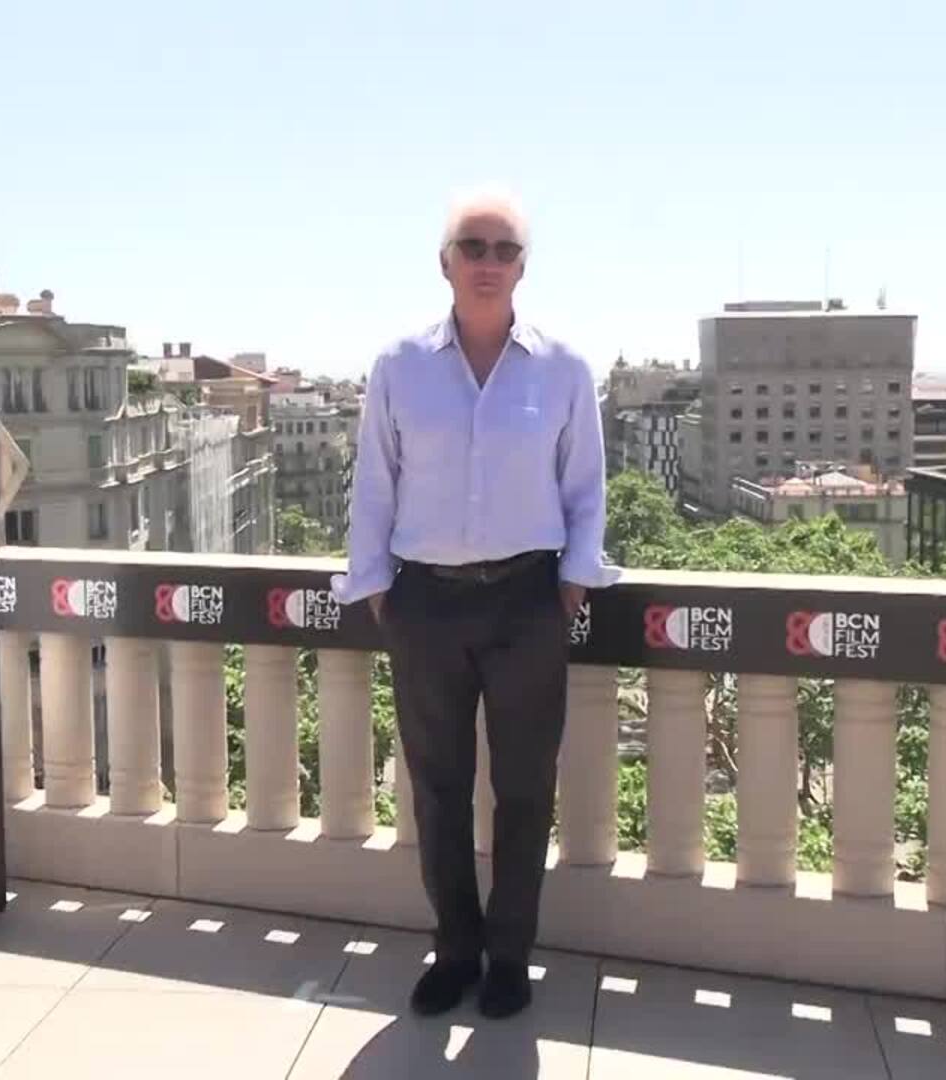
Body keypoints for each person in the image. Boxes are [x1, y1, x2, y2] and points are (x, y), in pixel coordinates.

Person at [332, 188, 617, 1019]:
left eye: (505, 250)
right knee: (438, 788)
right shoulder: (399, 366)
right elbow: (374, 484)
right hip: (424, 604)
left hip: (528, 601)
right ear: (445, 262)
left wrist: (572, 583)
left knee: (525, 790)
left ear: (523, 267)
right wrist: (378, 591)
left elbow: (585, 487)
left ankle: (509, 958)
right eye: (473, 246)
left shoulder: (563, 368)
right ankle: (455, 949)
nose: (489, 263)